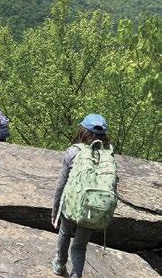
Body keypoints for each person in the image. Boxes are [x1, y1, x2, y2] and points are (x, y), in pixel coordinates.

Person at [51, 114, 114, 278]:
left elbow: (61, 184)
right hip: (94, 207)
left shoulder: (74, 151)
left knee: (65, 233)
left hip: (71, 204)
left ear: (83, 131)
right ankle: (76, 275)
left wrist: (55, 210)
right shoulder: (109, 154)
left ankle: (59, 265)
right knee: (80, 245)